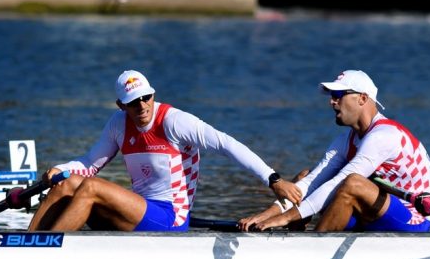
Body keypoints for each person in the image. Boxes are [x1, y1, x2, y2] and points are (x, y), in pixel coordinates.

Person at [28, 70, 302, 232]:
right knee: (68, 182)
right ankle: (25, 244)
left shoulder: (174, 121)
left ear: (153, 95)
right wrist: (60, 170)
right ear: (121, 105)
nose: (143, 106)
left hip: (171, 217)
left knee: (90, 187)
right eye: (134, 102)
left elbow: (227, 144)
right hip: (140, 211)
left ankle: (45, 251)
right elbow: (89, 163)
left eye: (146, 97)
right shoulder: (118, 124)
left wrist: (274, 179)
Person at [238, 69, 430, 232]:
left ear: (362, 99)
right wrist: (267, 215)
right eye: (332, 96)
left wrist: (284, 217)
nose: (332, 102)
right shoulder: (346, 139)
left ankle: (311, 251)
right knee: (305, 176)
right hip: (373, 212)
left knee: (352, 183)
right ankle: (293, 237)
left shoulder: (384, 135)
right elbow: (311, 182)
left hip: (413, 218)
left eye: (339, 95)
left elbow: (342, 182)